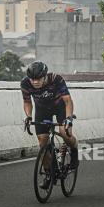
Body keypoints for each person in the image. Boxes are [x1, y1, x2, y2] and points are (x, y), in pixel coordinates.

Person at [21, 61, 79, 189]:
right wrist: (29, 116)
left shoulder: (56, 79)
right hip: (42, 110)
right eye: (32, 79)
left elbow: (68, 100)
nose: (35, 82)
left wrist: (69, 117)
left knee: (65, 133)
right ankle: (49, 174)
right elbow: (27, 102)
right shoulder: (25, 83)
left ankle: (74, 151)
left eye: (38, 79)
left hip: (60, 107)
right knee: (43, 143)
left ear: (45, 76)